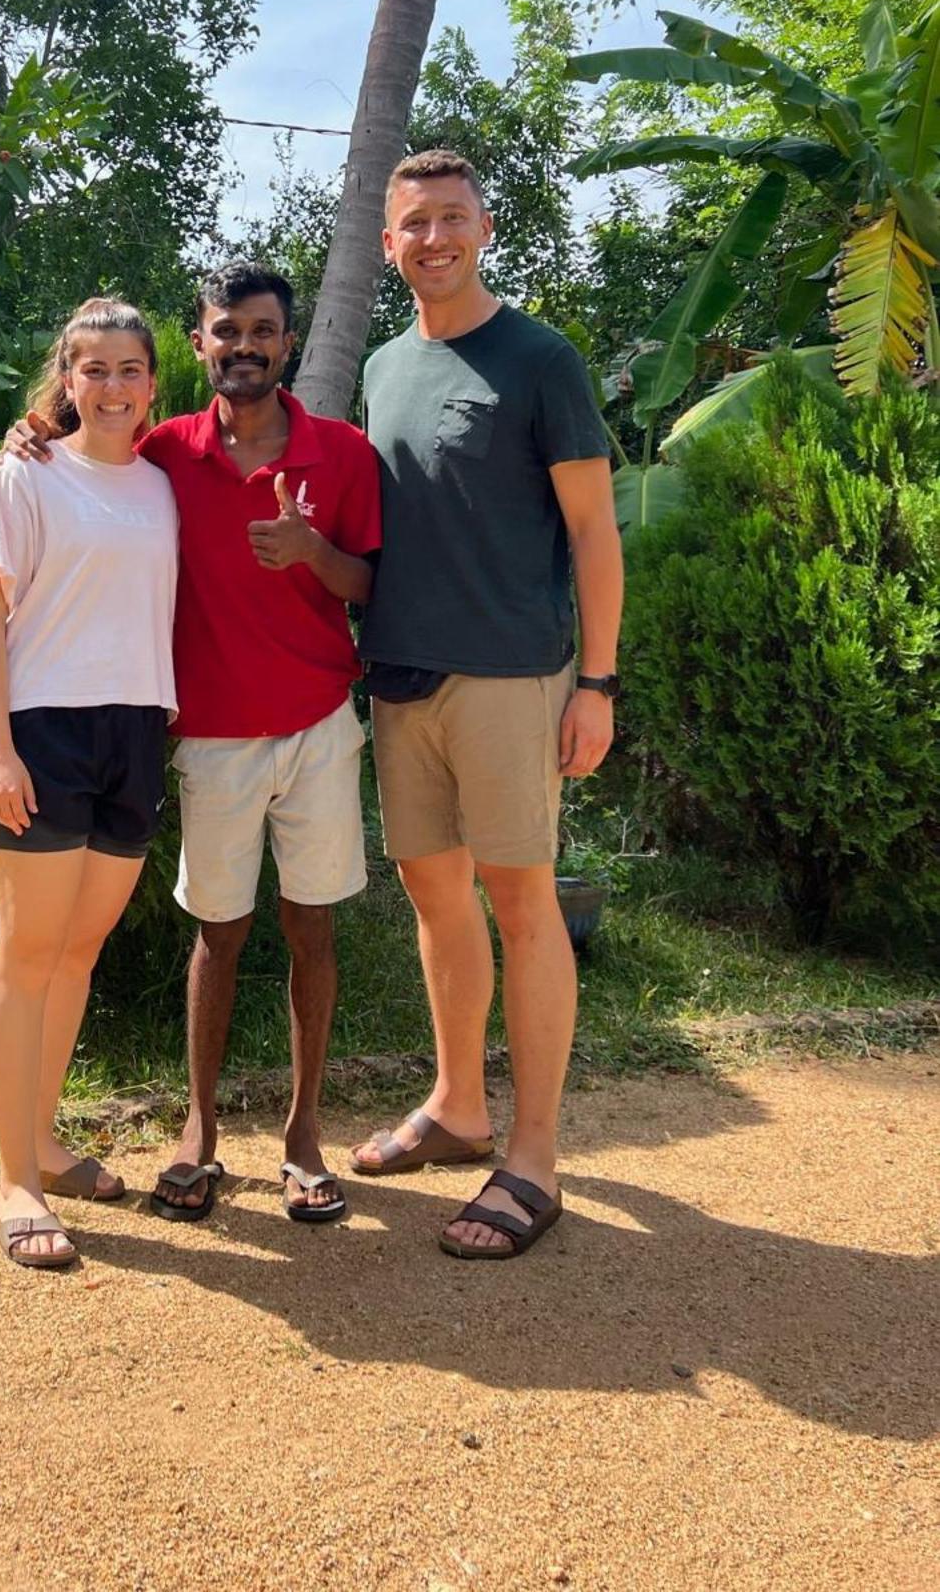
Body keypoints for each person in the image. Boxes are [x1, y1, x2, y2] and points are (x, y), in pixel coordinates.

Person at [5, 263, 381, 1225]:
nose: (244, 345)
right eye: (226, 331)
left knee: (312, 928)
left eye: (263, 331)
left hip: (318, 726)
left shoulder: (341, 453)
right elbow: (87, 443)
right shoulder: (166, 450)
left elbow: (372, 586)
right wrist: (35, 427)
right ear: (200, 341)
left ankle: (302, 1135)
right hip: (209, 734)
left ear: (287, 344)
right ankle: (200, 1133)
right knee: (217, 931)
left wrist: (312, 553)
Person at [350, 147, 623, 1261]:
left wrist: (595, 683)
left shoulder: (538, 358)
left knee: (523, 905)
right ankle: (458, 1106)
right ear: (386, 243)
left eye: (451, 218)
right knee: (434, 898)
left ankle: (535, 1154)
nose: (433, 238)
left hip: (512, 676)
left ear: (485, 226)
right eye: (413, 223)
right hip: (401, 678)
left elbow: (595, 532)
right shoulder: (379, 364)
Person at [0, 298, 178, 1269]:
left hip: (135, 729)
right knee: (27, 949)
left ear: (150, 382)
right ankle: (15, 1176)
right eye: (92, 368)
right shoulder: (26, 473)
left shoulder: (160, 485)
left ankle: (45, 1136)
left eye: (128, 368)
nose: (111, 385)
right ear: (65, 377)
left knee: (78, 950)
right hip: (41, 727)